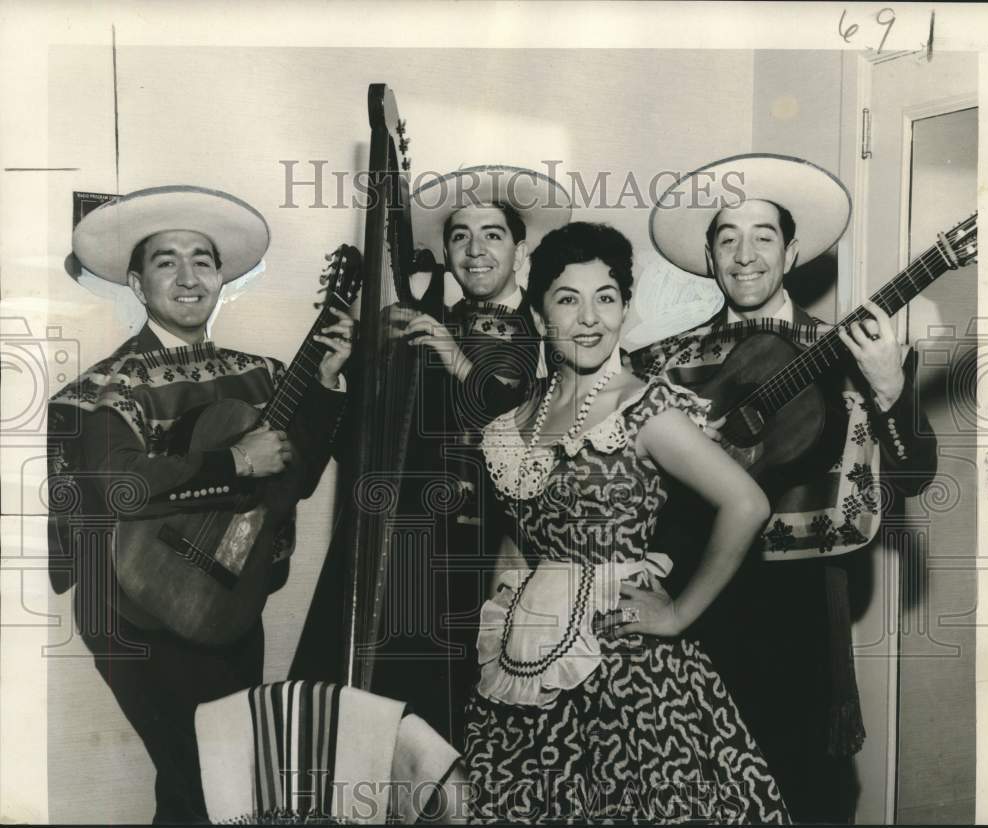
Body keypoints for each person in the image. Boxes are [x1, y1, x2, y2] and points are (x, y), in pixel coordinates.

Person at [633, 154, 938, 823]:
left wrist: (891, 391)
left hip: (800, 620)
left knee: (808, 796)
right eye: (727, 238)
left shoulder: (856, 351)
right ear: (709, 256)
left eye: (763, 236)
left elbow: (916, 473)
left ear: (793, 249)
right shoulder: (658, 365)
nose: (745, 256)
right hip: (692, 612)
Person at [46, 185, 354, 823]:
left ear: (221, 279)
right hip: (132, 609)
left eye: (203, 261)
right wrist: (233, 460)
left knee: (216, 782)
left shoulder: (262, 374)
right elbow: (118, 485)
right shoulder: (102, 387)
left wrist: (324, 386)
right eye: (167, 262)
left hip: (226, 593)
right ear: (137, 282)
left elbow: (291, 483)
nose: (188, 277)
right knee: (208, 778)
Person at [465, 221, 790, 823]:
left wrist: (678, 613)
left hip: (630, 673)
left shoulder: (646, 408)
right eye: (568, 299)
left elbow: (747, 504)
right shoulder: (514, 425)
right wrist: (505, 618)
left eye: (606, 298)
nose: (590, 318)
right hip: (530, 664)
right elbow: (516, 536)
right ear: (540, 318)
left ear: (623, 309)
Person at [354, 165, 573, 746]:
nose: (475, 251)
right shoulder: (436, 321)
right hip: (417, 543)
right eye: (459, 236)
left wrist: (453, 357)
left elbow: (514, 418)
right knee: (402, 719)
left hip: (494, 548)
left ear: (519, 248)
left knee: (478, 719)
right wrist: (348, 374)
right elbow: (375, 443)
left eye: (493, 235)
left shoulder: (546, 328)